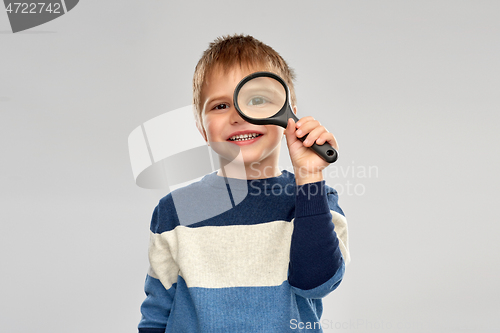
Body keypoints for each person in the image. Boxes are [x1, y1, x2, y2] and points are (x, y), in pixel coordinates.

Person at [138, 34, 350, 333]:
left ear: (288, 114)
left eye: (258, 101)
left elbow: (316, 283)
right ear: (201, 127)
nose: (238, 115)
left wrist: (310, 177)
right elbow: (157, 313)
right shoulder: (176, 209)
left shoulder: (315, 198)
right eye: (220, 106)